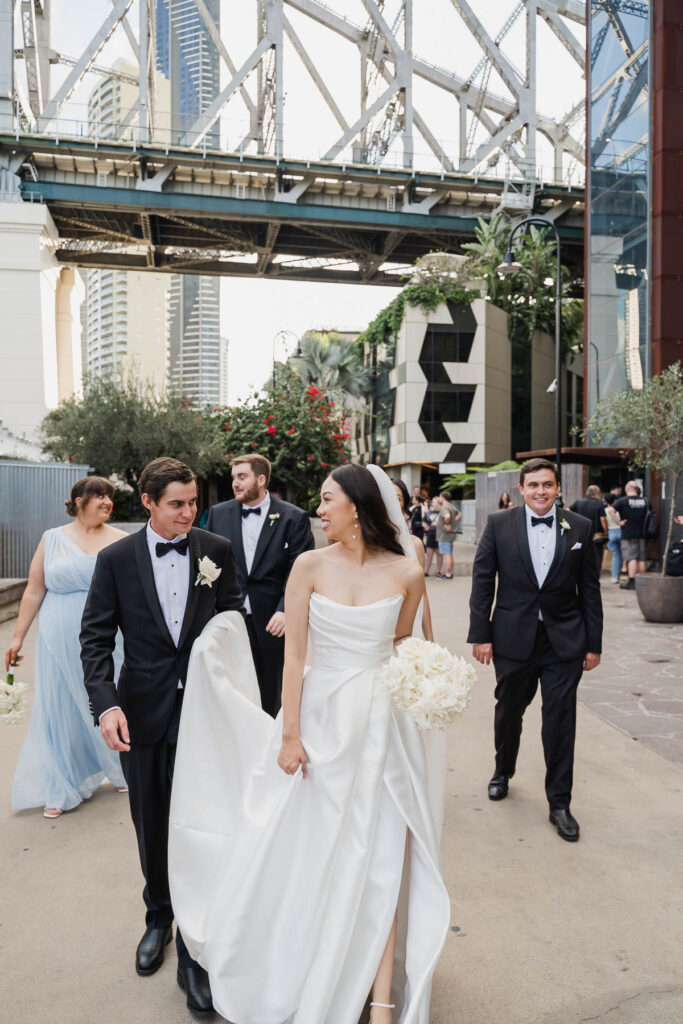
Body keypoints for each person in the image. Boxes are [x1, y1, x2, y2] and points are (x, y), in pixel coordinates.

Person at [168, 463, 450, 1024]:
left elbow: (403, 645)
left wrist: (430, 682)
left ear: (359, 506)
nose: (318, 511)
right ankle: (300, 964)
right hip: (318, 720)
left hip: (382, 725)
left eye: (327, 500)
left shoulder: (408, 573)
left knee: (382, 854)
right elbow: (294, 654)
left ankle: (383, 996)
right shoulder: (309, 565)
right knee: (311, 846)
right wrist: (290, 733)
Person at [80, 457, 244, 1016]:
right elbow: (96, 640)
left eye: (193, 502)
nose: (188, 512)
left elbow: (234, 623)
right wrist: (107, 707)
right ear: (147, 503)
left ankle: (197, 949)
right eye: (176, 503)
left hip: (206, 713)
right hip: (143, 713)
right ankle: (159, 919)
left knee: (203, 824)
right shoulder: (115, 559)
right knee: (151, 820)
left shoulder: (215, 552)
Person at [468, 457, 603, 842]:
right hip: (513, 637)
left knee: (560, 721)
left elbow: (589, 591)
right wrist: (481, 634)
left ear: (557, 488)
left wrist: (593, 644)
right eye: (533, 485)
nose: (541, 491)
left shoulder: (579, 526)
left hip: (565, 641)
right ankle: (503, 770)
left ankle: (559, 802)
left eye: (547, 484)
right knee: (509, 710)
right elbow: (482, 581)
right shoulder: (498, 525)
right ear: (521, 489)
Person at [6, 477, 127, 818]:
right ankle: (61, 785)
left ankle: (121, 765)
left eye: (109, 497)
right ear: (78, 500)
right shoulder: (52, 538)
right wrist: (17, 637)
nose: (106, 502)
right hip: (56, 637)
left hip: (106, 635)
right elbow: (33, 590)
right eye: (99, 496)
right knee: (58, 707)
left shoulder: (121, 540)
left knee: (107, 699)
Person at [205, 454, 315, 716]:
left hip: (273, 620)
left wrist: (285, 610)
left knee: (270, 689)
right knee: (231, 687)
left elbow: (299, 570)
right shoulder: (219, 514)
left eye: (242, 477)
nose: (235, 483)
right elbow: (207, 564)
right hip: (229, 617)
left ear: (261, 479)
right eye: (233, 478)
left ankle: (269, 745)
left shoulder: (293, 517)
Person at [391, 478, 434, 640]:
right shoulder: (365, 546)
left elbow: (423, 595)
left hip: (409, 625)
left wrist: (430, 640)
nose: (391, 502)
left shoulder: (414, 545)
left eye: (398, 498)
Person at [614, 481, 649, 590]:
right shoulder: (645, 501)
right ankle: (643, 582)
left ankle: (632, 581)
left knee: (632, 558)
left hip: (628, 534)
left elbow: (611, 510)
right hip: (643, 533)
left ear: (627, 489)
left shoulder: (622, 501)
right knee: (642, 558)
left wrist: (618, 522)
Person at [570, 484, 607, 575]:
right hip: (596, 535)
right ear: (597, 493)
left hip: (581, 533)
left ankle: (581, 574)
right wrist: (606, 531)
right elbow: (603, 519)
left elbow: (568, 510)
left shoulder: (579, 502)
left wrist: (573, 524)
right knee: (597, 556)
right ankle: (595, 574)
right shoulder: (599, 503)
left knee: (580, 554)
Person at [435, 489, 461, 580]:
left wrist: (447, 524)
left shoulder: (444, 507)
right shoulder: (451, 506)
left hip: (444, 535)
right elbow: (459, 514)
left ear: (443, 498)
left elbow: (447, 516)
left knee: (447, 555)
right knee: (450, 554)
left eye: (439, 496)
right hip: (450, 535)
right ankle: (450, 572)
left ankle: (448, 574)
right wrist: (453, 522)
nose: (439, 498)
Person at [603, 494, 623, 583]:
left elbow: (604, 522)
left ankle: (615, 577)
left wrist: (606, 532)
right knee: (626, 554)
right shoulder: (619, 510)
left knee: (615, 555)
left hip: (611, 532)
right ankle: (628, 574)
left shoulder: (605, 510)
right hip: (622, 531)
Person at [424, 496, 442, 577]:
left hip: (439, 535)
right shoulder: (429, 512)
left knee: (439, 554)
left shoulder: (442, 512)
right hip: (430, 535)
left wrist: (436, 524)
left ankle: (438, 571)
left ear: (438, 503)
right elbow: (424, 521)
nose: (432, 503)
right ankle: (426, 571)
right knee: (429, 554)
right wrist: (426, 526)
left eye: (434, 502)